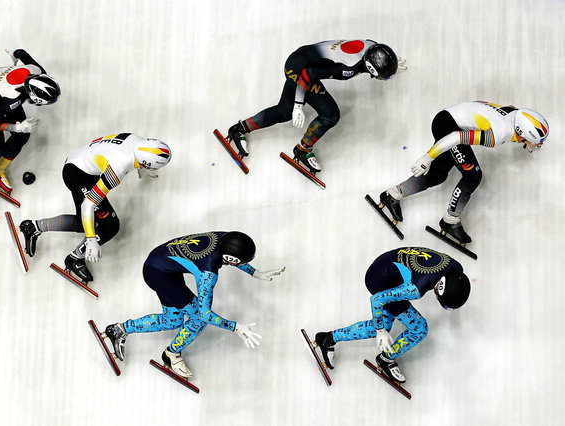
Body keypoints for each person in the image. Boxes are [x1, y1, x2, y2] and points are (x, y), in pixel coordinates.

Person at [102, 231, 285, 378]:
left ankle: (119, 329)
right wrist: (236, 327)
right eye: (242, 263)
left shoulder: (224, 237)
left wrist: (255, 273)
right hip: (158, 273)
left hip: (160, 263)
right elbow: (205, 314)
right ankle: (172, 354)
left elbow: (234, 256)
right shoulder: (208, 273)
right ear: (230, 259)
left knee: (172, 321)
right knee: (198, 319)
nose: (242, 264)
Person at [378, 101, 549, 243]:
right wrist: (427, 157)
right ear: (521, 134)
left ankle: (393, 194)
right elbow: (456, 138)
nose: (539, 145)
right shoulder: (497, 135)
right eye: (537, 141)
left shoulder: (515, 113)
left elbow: (505, 109)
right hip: (449, 128)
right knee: (473, 175)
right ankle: (450, 221)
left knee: (437, 174)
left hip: (450, 118)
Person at [226, 39, 403, 173]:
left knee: (283, 112)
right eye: (384, 77)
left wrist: (390, 67)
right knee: (330, 114)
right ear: (371, 70)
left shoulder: (371, 45)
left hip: (301, 59)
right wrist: (298, 106)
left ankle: (239, 129)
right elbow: (306, 75)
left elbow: (380, 54)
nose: (384, 79)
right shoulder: (347, 69)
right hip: (302, 71)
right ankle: (303, 149)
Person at [19, 133, 171, 282]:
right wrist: (91, 239)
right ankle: (75, 258)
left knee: (81, 222)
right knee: (110, 226)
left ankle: (33, 227)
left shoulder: (138, 140)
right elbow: (88, 205)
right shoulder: (117, 169)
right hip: (79, 175)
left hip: (78, 162)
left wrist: (141, 166)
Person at [314, 247, 470, 384]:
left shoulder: (456, 268)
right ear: (438, 289)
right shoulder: (416, 288)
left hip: (387, 263)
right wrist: (380, 331)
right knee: (418, 328)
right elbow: (376, 299)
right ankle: (384, 358)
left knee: (390, 320)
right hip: (380, 280)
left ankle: (329, 338)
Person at [0, 49, 60, 207]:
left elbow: (21, 52)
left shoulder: (37, 71)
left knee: (24, 135)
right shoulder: (14, 98)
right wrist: (16, 127)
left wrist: (14, 56)